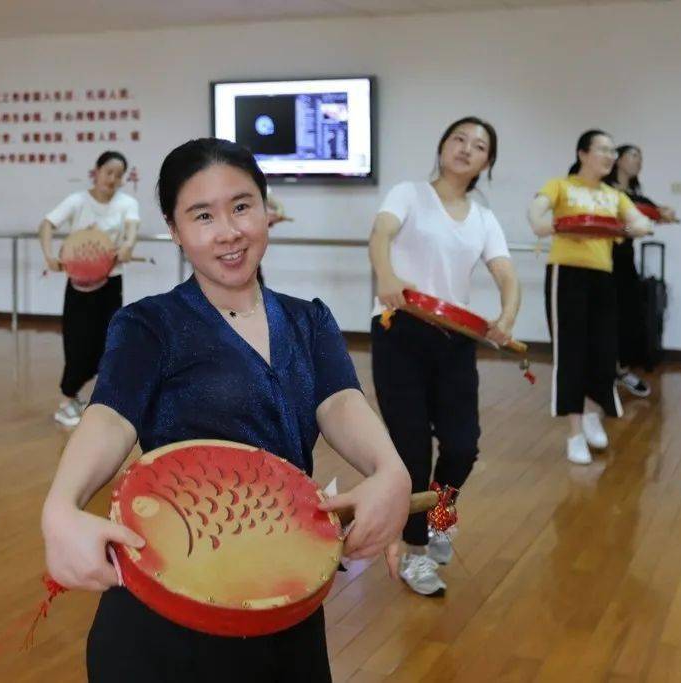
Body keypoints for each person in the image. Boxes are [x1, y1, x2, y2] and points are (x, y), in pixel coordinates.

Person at [40, 138, 411, 682]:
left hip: (283, 595)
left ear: (267, 210)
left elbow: (341, 400)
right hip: (172, 605)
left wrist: (391, 470)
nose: (229, 232)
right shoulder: (150, 325)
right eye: (202, 215)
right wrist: (60, 505)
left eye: (242, 206)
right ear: (174, 230)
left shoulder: (309, 319)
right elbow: (111, 415)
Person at [368, 116, 521, 595]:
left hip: (455, 340)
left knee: (462, 446)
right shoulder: (408, 194)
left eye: (478, 145)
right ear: (442, 146)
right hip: (401, 332)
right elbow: (380, 235)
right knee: (412, 452)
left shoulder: (484, 218)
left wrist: (508, 315)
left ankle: (440, 516)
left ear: (486, 162)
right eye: (459, 138)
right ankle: (415, 554)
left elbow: (506, 275)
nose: (466, 148)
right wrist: (387, 279)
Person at [527, 130, 651, 465]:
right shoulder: (561, 186)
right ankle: (574, 433)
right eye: (603, 150)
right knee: (570, 352)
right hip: (566, 276)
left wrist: (628, 228)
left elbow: (639, 223)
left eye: (613, 150)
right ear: (583, 154)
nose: (610, 156)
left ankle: (594, 411)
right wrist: (548, 223)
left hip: (603, 277)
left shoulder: (614, 195)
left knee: (604, 349)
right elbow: (538, 213)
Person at [39, 150, 140, 427]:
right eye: (108, 172)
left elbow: (132, 229)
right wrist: (50, 255)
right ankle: (66, 399)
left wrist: (128, 245)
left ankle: (81, 398)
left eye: (119, 175)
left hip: (111, 281)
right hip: (79, 284)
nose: (113, 179)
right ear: (96, 171)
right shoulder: (77, 201)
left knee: (107, 341)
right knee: (78, 341)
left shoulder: (126, 203)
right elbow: (47, 224)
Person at [604, 144, 679, 397]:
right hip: (602, 260)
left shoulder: (633, 194)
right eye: (633, 156)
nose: (639, 161)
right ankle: (604, 375)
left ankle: (621, 372)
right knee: (605, 318)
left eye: (641, 157)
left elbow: (645, 209)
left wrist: (662, 213)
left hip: (625, 260)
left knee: (629, 316)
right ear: (618, 160)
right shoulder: (604, 190)